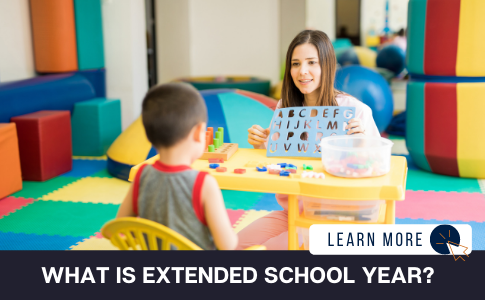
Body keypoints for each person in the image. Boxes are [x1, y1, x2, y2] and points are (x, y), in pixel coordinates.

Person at [239, 30, 380, 250]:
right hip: (294, 210)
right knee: (231, 246)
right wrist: (260, 143)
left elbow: (380, 169)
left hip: (337, 219)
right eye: (295, 64)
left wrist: (363, 144)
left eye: (311, 62)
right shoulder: (286, 107)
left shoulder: (355, 110)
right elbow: (280, 156)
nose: (302, 71)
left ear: (327, 65)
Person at [113, 83, 238, 250]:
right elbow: (227, 245)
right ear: (198, 132)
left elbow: (120, 227)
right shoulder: (203, 183)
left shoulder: (142, 175)